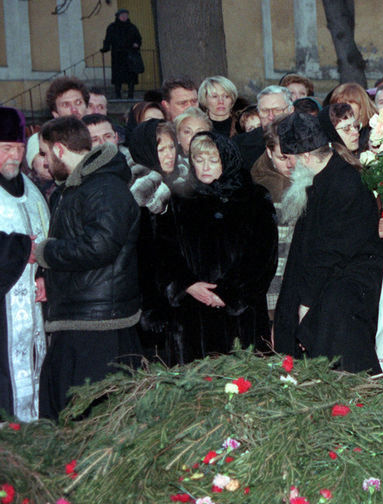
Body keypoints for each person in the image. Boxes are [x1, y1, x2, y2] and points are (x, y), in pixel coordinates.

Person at [35, 116, 141, 421]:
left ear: (58, 149)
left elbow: (99, 246)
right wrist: (45, 276)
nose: (43, 161)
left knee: (92, 422)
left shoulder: (105, 187)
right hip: (77, 318)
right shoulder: (73, 188)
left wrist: (43, 253)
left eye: (44, 153)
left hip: (98, 325)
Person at [273, 113, 383, 373]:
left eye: (292, 159)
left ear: (307, 157)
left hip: (349, 286)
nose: (290, 167)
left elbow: (329, 252)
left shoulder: (345, 183)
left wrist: (306, 305)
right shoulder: (320, 179)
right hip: (325, 279)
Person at [159, 132, 276, 362]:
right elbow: (165, 252)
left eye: (213, 161)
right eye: (199, 160)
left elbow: (262, 256)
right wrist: (188, 285)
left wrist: (227, 293)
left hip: (241, 314)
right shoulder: (179, 199)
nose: (205, 168)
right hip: (192, 314)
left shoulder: (253, 197)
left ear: (227, 160)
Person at [0, 107, 49, 422]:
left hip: (30, 302)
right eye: (6, 148)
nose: (15, 156)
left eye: (19, 148)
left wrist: (44, 274)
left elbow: (47, 234)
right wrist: (22, 250)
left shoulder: (30, 189)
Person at [127, 119, 183, 364]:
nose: (169, 154)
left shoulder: (185, 180)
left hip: (185, 297)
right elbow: (143, 256)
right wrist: (151, 308)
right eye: (161, 149)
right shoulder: (141, 191)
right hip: (156, 307)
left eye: (172, 147)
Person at [250, 116, 303, 320]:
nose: (291, 164)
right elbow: (279, 254)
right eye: (283, 157)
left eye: (295, 155)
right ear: (269, 152)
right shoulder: (265, 188)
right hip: (275, 294)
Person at [234, 86, 294, 172]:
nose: (271, 116)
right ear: (258, 113)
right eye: (265, 111)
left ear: (291, 110)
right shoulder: (238, 145)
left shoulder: (307, 139)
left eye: (277, 110)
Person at [101, 9, 141, 99]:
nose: (124, 17)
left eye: (126, 15)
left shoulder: (132, 27)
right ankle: (118, 95)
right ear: (118, 16)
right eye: (122, 15)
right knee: (118, 77)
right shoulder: (112, 27)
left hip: (130, 55)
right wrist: (105, 48)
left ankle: (131, 95)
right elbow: (108, 39)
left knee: (131, 76)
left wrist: (137, 44)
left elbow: (138, 39)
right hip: (117, 56)